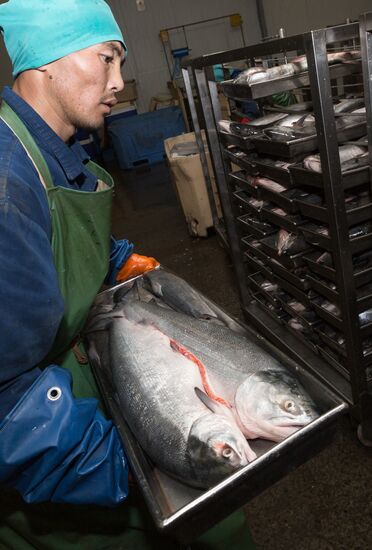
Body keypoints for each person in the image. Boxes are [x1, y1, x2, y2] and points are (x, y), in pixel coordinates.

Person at [0, 1, 256, 548]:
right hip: (45, 431)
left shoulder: (57, 149)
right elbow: (6, 407)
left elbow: (63, 237)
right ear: (48, 60)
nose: (119, 81)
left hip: (66, 368)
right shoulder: (6, 183)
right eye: (106, 59)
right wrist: (139, 464)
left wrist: (119, 259)